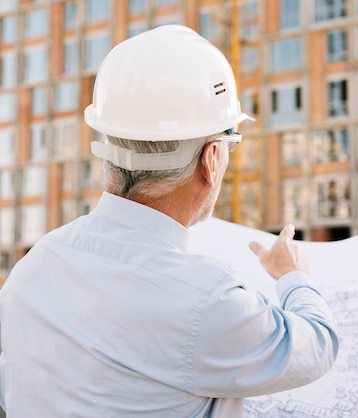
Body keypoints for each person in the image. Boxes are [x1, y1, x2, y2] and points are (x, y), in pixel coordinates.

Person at [0, 25, 338, 417]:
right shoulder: (205, 299)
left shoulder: (32, 271)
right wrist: (292, 275)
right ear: (211, 159)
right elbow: (318, 344)